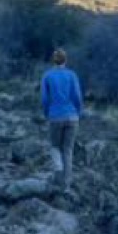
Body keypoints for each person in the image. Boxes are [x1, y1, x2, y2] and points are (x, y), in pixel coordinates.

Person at [40, 48, 83, 192]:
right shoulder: (72, 75)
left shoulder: (47, 76)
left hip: (55, 116)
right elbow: (77, 96)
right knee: (68, 150)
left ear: (53, 60)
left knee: (55, 147)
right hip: (72, 116)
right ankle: (66, 185)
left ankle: (58, 170)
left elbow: (45, 99)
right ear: (66, 60)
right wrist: (78, 112)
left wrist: (47, 113)